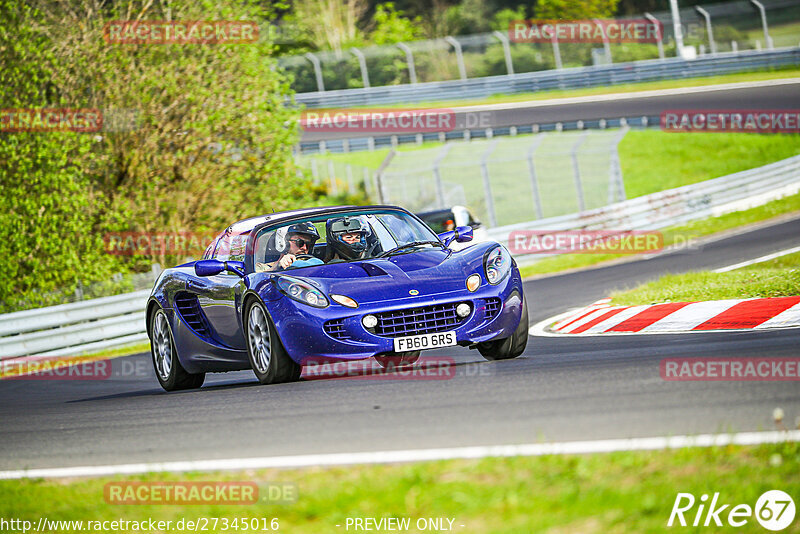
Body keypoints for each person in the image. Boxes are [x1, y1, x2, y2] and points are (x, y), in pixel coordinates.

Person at [255, 222, 321, 272]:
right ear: (283, 242)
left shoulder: (316, 264)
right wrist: (277, 267)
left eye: (309, 244)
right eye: (299, 242)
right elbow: (257, 281)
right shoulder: (262, 268)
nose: (305, 248)